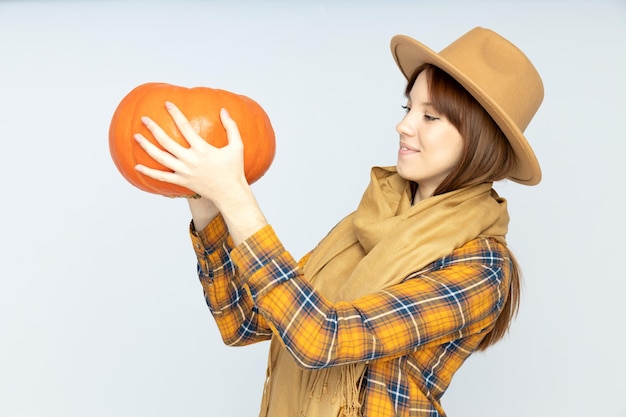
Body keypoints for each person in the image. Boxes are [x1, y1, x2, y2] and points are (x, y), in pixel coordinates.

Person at [133, 26, 544, 417]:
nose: (403, 125)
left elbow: (322, 338)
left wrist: (237, 198)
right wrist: (207, 206)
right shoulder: (369, 221)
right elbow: (243, 322)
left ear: (479, 139)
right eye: (408, 108)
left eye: (430, 117)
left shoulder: (481, 268)